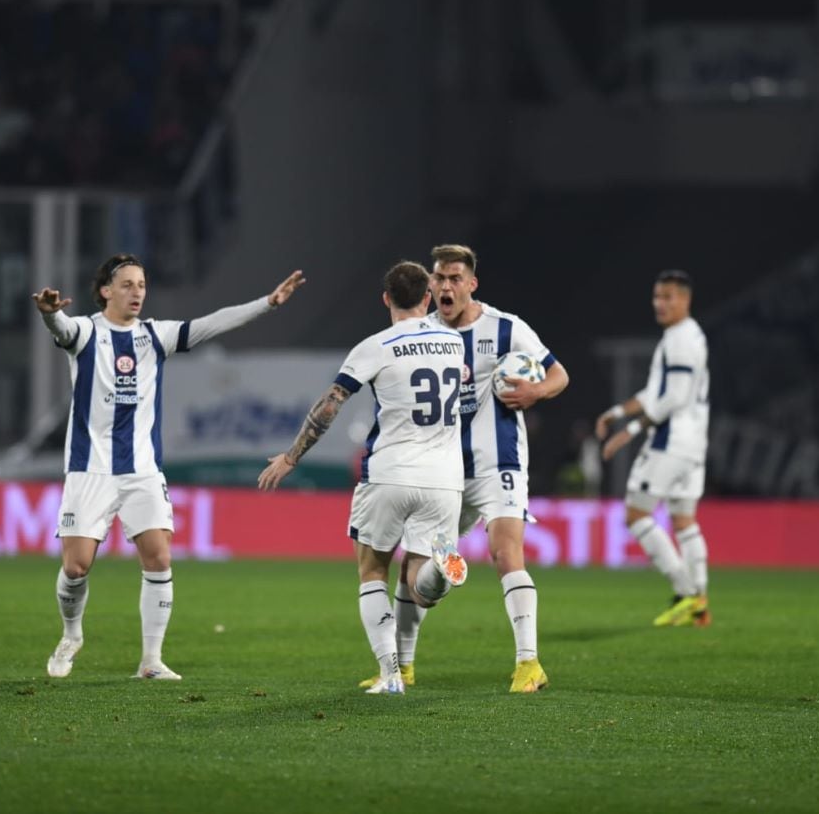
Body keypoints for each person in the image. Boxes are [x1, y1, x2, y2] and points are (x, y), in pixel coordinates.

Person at [34, 254, 306, 680]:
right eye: (126, 284)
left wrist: (267, 303)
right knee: (75, 567)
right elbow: (62, 328)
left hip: (142, 469)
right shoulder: (86, 332)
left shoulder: (154, 336)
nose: (137, 292)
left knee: (159, 559)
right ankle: (71, 635)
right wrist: (52, 314)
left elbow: (213, 322)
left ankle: (150, 661)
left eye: (141, 284)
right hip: (91, 469)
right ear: (106, 290)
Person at [258, 261, 467, 695]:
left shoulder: (375, 346)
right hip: (445, 478)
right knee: (420, 583)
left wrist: (292, 457)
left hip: (390, 473)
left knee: (373, 570)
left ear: (386, 299)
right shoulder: (453, 342)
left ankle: (391, 675)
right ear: (427, 298)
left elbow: (330, 405)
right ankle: (441, 575)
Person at [394, 244, 569, 694]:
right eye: (439, 278)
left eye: (455, 278)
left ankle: (529, 664)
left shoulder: (507, 328)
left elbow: (559, 376)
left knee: (505, 551)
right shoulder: (422, 333)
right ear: (429, 286)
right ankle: (402, 667)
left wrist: (534, 393)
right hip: (443, 469)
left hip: (498, 463)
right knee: (413, 571)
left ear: (472, 284)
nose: (445, 286)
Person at [597, 269, 711, 627]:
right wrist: (616, 413)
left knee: (636, 514)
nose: (659, 304)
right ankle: (701, 604)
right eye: (657, 297)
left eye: (668, 297)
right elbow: (655, 394)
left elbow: (673, 398)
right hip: (694, 442)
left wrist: (629, 430)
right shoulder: (689, 336)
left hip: (671, 441)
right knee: (684, 521)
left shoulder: (679, 340)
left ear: (685, 300)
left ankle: (687, 592)